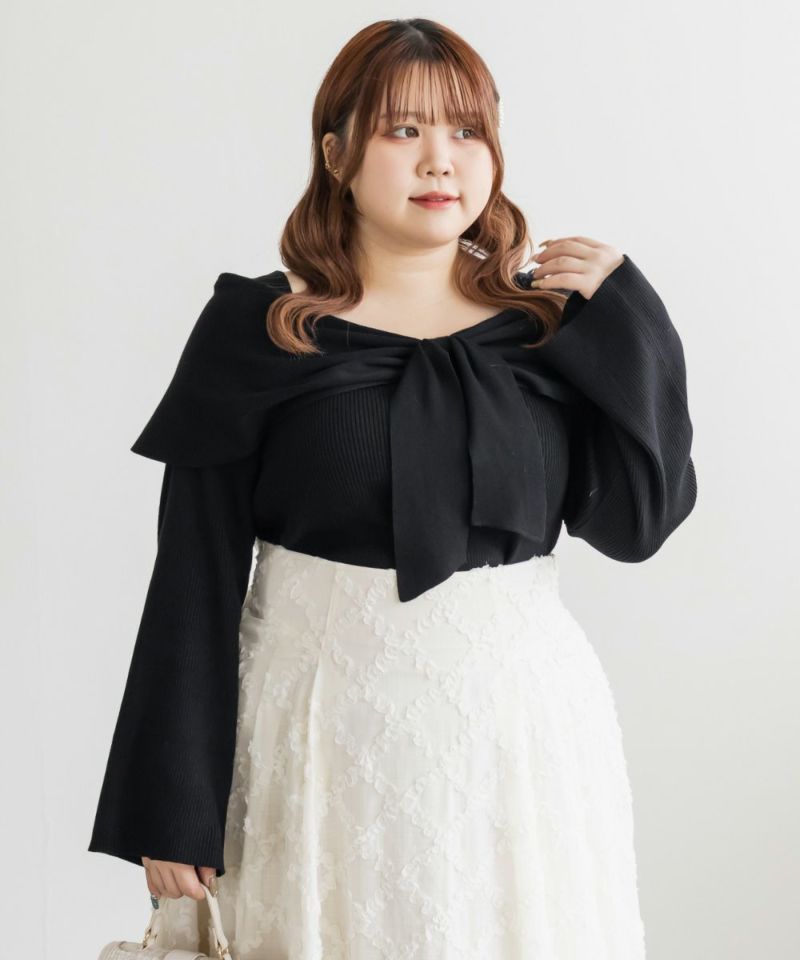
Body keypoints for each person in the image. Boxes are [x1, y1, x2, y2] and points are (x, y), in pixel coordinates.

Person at [88, 16, 697, 958]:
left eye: (466, 130)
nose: (439, 160)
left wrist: (632, 327)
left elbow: (638, 523)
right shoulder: (262, 327)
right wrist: (170, 806)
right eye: (402, 129)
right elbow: (193, 576)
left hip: (523, 740)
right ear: (336, 153)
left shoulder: (549, 330)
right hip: (316, 741)